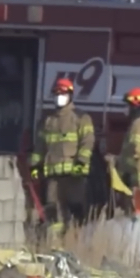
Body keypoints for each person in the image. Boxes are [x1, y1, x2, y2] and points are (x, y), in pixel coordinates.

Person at [28, 78, 96, 245]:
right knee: (53, 210)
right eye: (57, 94)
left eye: (63, 94)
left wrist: (81, 162)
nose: (60, 97)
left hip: (74, 176)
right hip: (53, 176)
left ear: (70, 95)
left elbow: (88, 142)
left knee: (75, 210)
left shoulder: (81, 118)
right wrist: (35, 165)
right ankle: (56, 243)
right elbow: (40, 146)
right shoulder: (48, 121)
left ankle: (77, 242)